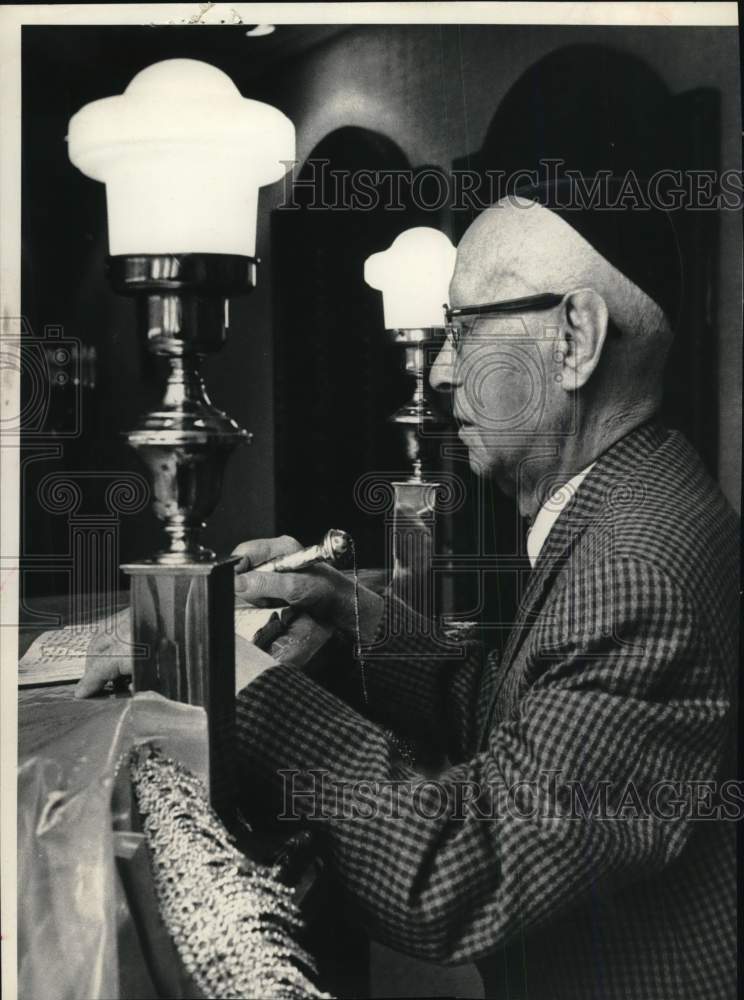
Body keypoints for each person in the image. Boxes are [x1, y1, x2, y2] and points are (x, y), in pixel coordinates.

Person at [77, 196, 738, 999]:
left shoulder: (636, 571)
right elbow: (510, 721)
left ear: (576, 340)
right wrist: (357, 615)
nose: (443, 369)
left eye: (465, 328)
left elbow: (461, 869)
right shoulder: (636, 497)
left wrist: (236, 680)